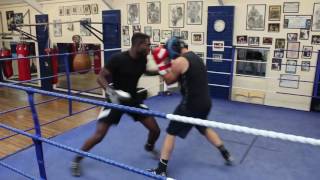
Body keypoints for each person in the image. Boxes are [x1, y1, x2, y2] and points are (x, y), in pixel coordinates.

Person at [71, 33, 161, 177]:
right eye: (147, 44)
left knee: (155, 130)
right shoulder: (118, 59)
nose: (149, 47)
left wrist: (160, 72)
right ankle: (77, 159)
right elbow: (100, 77)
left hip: (133, 100)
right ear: (138, 45)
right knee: (99, 135)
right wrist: (111, 93)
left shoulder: (142, 59)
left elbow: (144, 71)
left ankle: (149, 147)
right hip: (115, 100)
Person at [148, 37, 233, 176]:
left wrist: (161, 63)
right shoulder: (196, 57)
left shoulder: (181, 61)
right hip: (205, 102)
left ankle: (161, 169)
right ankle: (225, 153)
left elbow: (169, 81)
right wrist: (166, 61)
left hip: (190, 104)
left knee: (171, 132)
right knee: (203, 127)